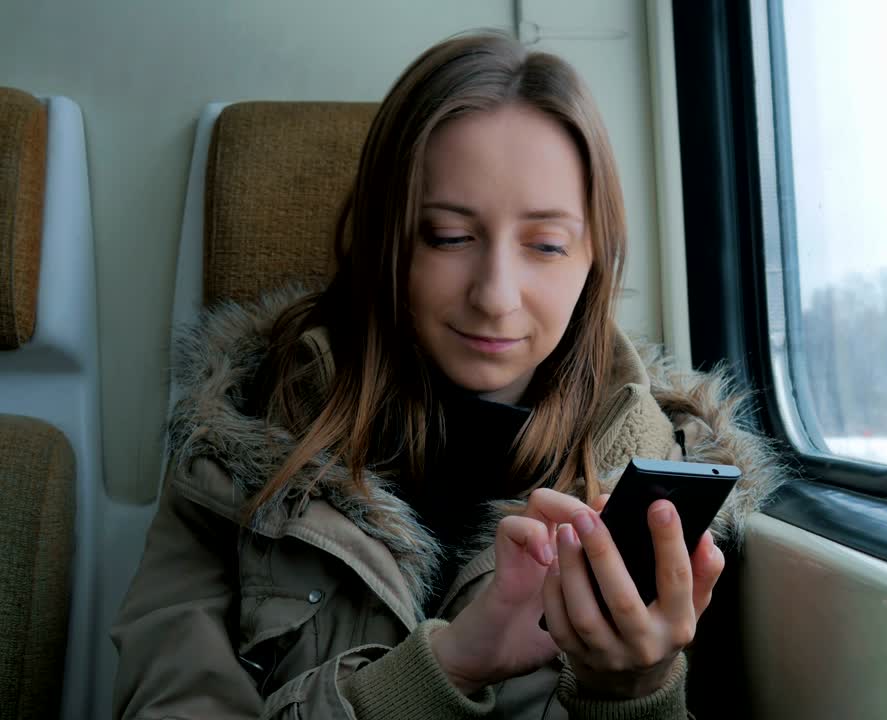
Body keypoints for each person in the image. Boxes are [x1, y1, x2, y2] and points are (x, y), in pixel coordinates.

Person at [111, 31, 785, 719]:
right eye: (448, 237)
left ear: (594, 262)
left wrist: (632, 694)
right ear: (384, 241)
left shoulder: (662, 493)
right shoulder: (236, 449)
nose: (495, 294)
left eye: (546, 246)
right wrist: (447, 668)